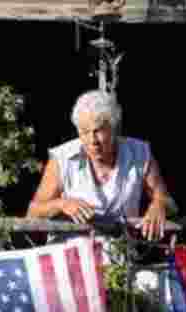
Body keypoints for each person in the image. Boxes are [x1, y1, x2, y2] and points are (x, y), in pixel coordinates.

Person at [26, 90, 175, 241]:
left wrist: (159, 205)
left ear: (113, 128)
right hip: (69, 250)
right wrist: (62, 204)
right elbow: (33, 212)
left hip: (119, 251)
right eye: (84, 132)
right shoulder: (63, 158)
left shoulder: (139, 153)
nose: (92, 140)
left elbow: (167, 201)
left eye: (98, 131)